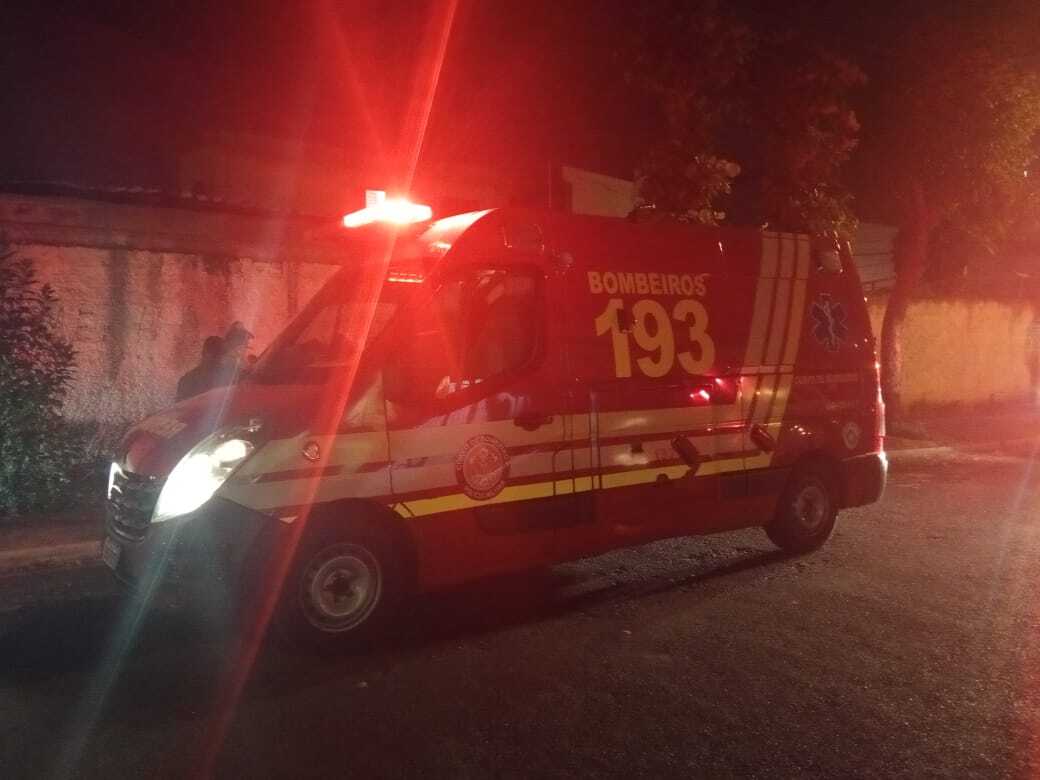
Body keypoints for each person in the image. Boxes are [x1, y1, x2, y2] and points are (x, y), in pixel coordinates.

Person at [175, 335, 225, 402]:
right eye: (217, 355)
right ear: (205, 353)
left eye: (220, 354)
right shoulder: (187, 380)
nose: (220, 359)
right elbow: (180, 405)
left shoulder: (186, 379)